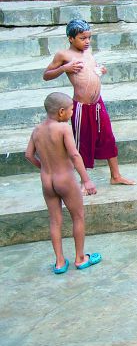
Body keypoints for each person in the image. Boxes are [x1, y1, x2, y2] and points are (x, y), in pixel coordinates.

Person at [43, 19, 135, 187]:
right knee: (82, 142)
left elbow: (89, 71)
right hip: (81, 107)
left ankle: (115, 176)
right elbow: (46, 75)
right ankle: (84, 181)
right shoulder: (63, 55)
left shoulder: (88, 51)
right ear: (71, 38)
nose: (87, 42)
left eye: (89, 38)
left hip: (98, 104)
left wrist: (99, 70)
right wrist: (64, 68)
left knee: (108, 137)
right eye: (82, 38)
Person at [25, 92, 102, 273]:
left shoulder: (36, 130)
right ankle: (80, 258)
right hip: (65, 179)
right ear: (61, 112)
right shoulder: (63, 128)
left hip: (47, 180)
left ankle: (59, 262)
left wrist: (43, 167)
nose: (72, 112)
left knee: (55, 221)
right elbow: (75, 155)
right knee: (78, 216)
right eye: (71, 110)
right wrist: (87, 180)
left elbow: (28, 155)